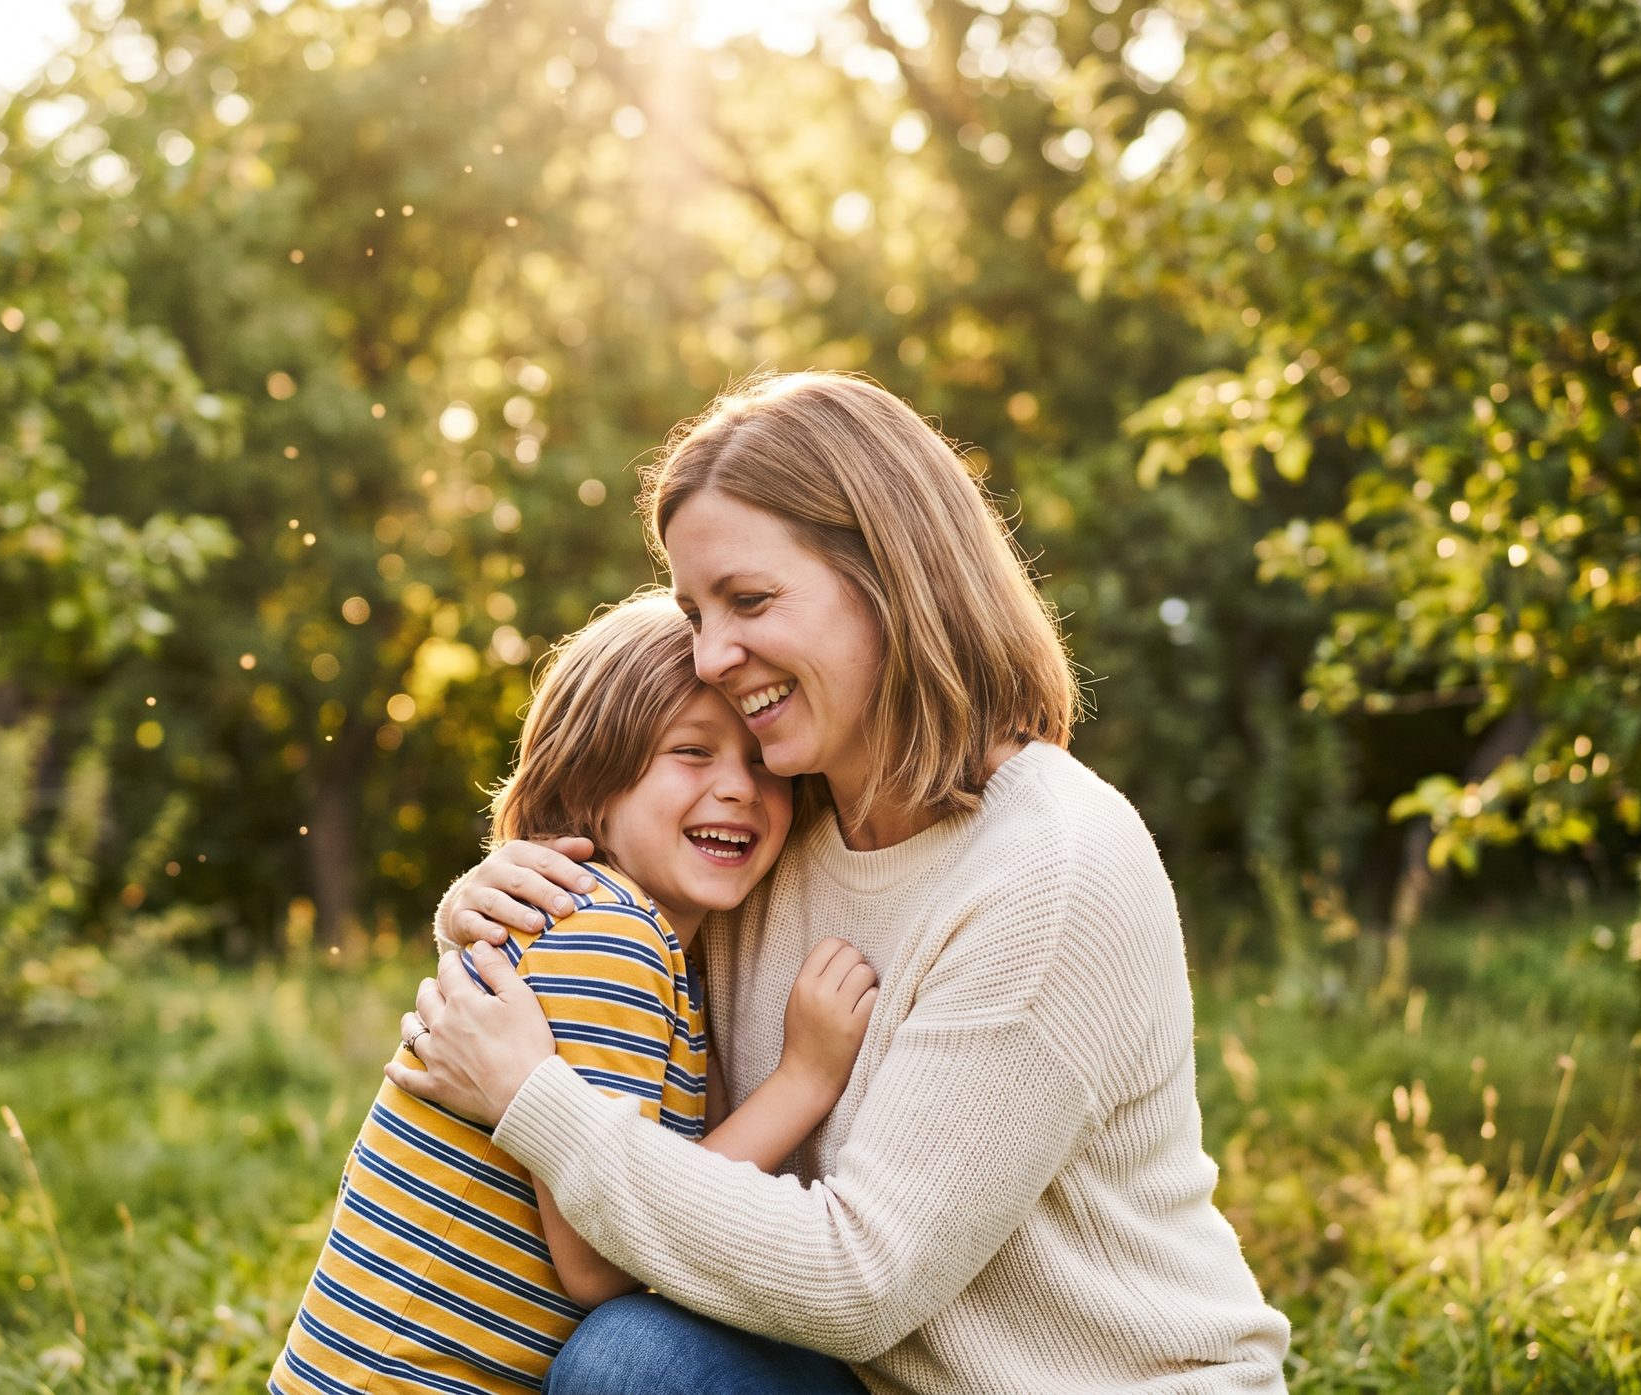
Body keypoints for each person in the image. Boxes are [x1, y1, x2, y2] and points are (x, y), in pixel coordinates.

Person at [400, 373, 1293, 1394]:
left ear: (890, 576)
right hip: (857, 1377)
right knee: (641, 1363)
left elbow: (863, 1279)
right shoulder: (769, 824)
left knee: (632, 1366)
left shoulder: (1050, 865)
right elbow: (608, 982)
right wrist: (493, 913)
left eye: (749, 600)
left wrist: (530, 1096)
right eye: (695, 611)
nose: (712, 653)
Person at [270, 593, 882, 1395]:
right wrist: (803, 1081)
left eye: (763, 763)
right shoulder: (607, 936)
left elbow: (651, 1175)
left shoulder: (649, 944)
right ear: (593, 778)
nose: (738, 786)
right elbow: (601, 1259)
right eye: (692, 751)